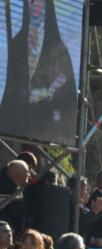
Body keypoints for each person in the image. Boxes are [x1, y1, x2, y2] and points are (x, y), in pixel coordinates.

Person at [0, 0, 79, 144]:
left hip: (42, 130)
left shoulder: (59, 49)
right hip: (14, 127)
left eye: (38, 1)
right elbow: (10, 92)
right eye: (31, 1)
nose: (34, 5)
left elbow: (68, 97)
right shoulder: (17, 44)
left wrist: (47, 93)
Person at [0, 159, 32, 235]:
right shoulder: (7, 188)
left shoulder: (14, 186)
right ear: (16, 174)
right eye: (26, 175)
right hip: (6, 228)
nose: (28, 178)